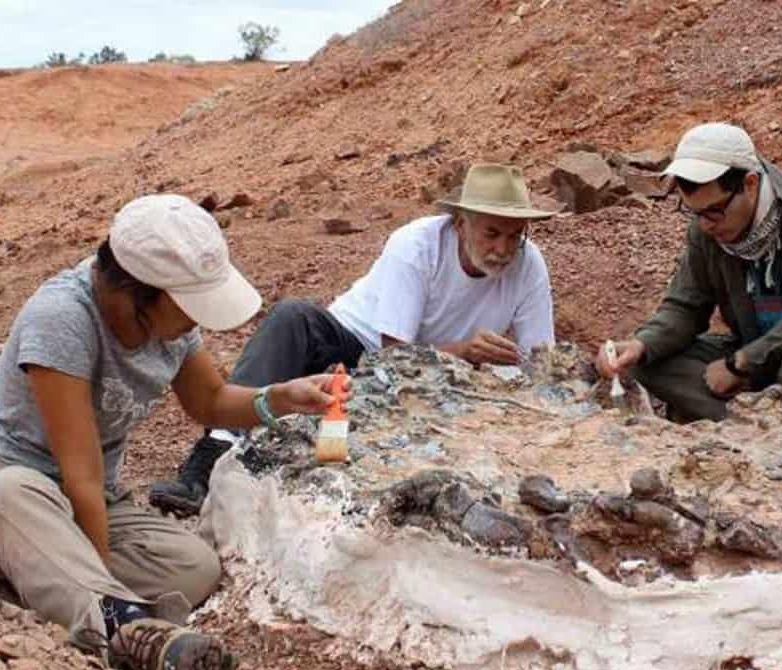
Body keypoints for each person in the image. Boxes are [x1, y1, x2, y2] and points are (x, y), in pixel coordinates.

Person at [0, 195, 338, 670]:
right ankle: (123, 628)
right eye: (186, 306)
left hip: (87, 503)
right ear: (135, 291)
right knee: (11, 492)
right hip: (24, 489)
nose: (192, 321)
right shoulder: (62, 319)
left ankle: (47, 580)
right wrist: (101, 574)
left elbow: (213, 400)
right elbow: (80, 473)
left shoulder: (169, 325)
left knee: (193, 565)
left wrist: (280, 398)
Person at [150, 163, 557, 517]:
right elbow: (393, 354)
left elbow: (542, 361)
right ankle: (209, 460)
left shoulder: (529, 264)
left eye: (514, 236)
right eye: (492, 233)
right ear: (460, 222)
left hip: (446, 380)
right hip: (356, 348)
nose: (503, 249)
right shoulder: (417, 245)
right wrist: (464, 352)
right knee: (294, 318)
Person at [595, 122, 782, 421]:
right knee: (649, 360)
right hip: (757, 361)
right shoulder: (707, 229)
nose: (705, 225)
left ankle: (750, 419)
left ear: (750, 184)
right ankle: (755, 422)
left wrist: (742, 362)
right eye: (694, 213)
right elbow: (685, 307)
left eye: (714, 211)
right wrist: (641, 344)